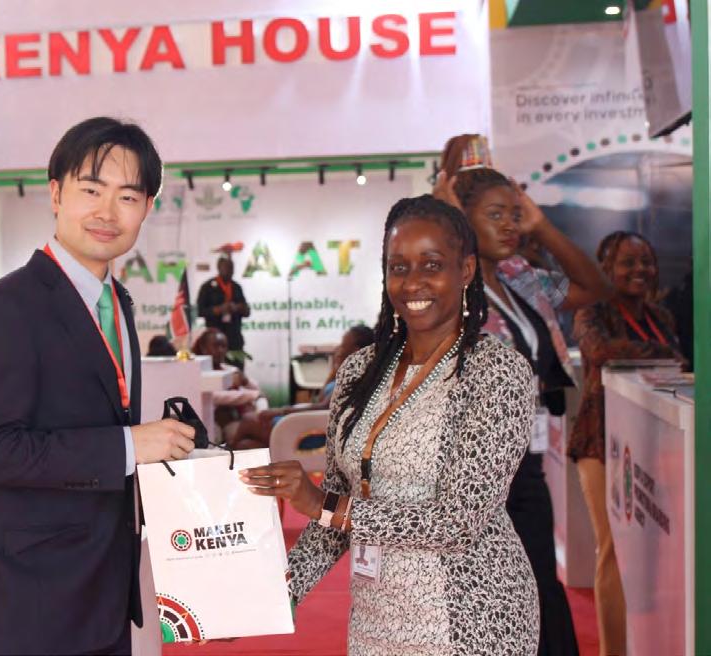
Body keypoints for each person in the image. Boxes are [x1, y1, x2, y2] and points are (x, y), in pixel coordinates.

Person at [242, 195, 539, 655]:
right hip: (376, 615)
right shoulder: (360, 370)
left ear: (465, 270)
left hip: (472, 614)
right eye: (398, 267)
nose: (413, 281)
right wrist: (278, 593)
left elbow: (457, 522)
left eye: (432, 264)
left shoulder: (497, 372)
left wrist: (323, 504)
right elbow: (335, 504)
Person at [0, 117, 196, 656]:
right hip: (31, 606)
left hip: (103, 594)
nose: (108, 212)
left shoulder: (118, 303)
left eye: (127, 197)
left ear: (147, 208)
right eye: (91, 190)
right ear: (57, 193)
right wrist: (130, 445)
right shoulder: (2, 309)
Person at [436, 134, 611, 656]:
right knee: (490, 596)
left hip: (523, 462)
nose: (510, 225)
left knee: (539, 584)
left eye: (515, 215)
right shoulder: (449, 282)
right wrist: (448, 223)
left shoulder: (518, 277)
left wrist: (542, 225)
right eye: (496, 215)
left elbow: (594, 288)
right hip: (469, 465)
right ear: (463, 221)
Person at [570, 231, 683, 656]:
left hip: (652, 439)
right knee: (612, 548)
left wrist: (655, 352)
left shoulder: (662, 316)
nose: (640, 270)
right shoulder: (592, 313)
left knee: (651, 551)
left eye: (646, 262)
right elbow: (601, 351)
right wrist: (659, 352)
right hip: (602, 441)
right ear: (607, 269)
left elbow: (677, 361)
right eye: (628, 262)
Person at [230, 325, 375, 450]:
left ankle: (226, 455)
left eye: (343, 345)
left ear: (356, 351)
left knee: (248, 420)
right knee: (245, 446)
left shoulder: (354, 380)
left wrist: (279, 411)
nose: (339, 349)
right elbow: (322, 400)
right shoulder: (352, 374)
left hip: (312, 433)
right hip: (311, 427)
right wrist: (338, 367)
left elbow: (322, 407)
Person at [192, 328, 261, 446]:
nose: (220, 350)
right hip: (208, 420)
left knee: (243, 438)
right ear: (203, 348)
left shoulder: (230, 370)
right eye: (216, 346)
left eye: (223, 346)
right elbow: (214, 397)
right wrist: (253, 395)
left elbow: (256, 389)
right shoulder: (196, 371)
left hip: (233, 419)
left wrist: (245, 381)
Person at [197, 256, 251, 364]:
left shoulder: (236, 287)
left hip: (234, 338)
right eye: (227, 267)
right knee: (217, 369)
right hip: (214, 340)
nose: (230, 271)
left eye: (232, 268)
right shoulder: (207, 287)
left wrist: (237, 307)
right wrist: (218, 310)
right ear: (219, 268)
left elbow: (247, 311)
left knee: (236, 368)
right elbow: (200, 311)